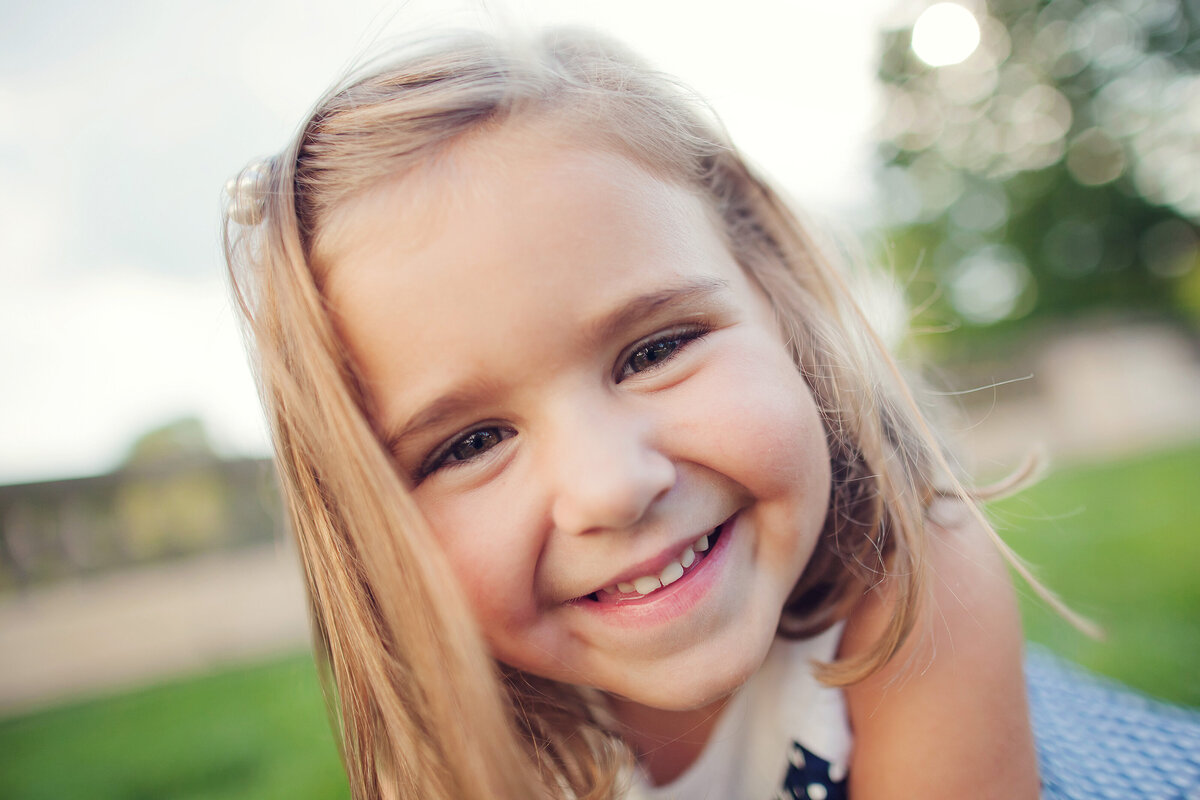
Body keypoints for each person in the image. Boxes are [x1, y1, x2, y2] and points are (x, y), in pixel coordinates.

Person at [223, 28, 1200, 800]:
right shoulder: (448, 751)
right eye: (472, 442)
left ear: (771, 292)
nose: (612, 485)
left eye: (655, 349)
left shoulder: (914, 574)